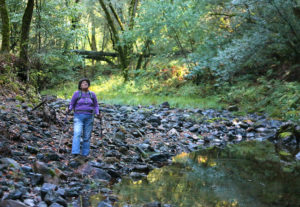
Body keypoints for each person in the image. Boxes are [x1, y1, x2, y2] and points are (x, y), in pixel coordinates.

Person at [67, 78, 100, 158]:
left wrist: (98, 113)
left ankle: (85, 154)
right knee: (77, 133)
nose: (84, 84)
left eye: (86, 83)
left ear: (88, 85)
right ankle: (75, 152)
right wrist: (69, 109)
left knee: (87, 136)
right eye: (82, 83)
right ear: (80, 86)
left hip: (89, 117)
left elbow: (96, 105)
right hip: (78, 116)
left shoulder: (92, 94)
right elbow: (72, 104)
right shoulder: (76, 93)